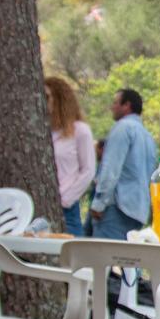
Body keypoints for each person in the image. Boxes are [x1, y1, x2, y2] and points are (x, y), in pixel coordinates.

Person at [88, 86, 157, 240]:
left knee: (104, 258)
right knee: (127, 260)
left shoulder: (123, 128)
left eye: (115, 103)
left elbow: (111, 168)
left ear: (127, 105)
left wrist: (99, 203)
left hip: (118, 207)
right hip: (138, 210)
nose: (112, 107)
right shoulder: (147, 136)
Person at [46, 74, 96, 234]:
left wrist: (66, 199)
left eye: (47, 97)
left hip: (66, 209)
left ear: (60, 99)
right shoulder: (42, 131)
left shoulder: (80, 130)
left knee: (70, 256)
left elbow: (88, 170)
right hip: (39, 205)